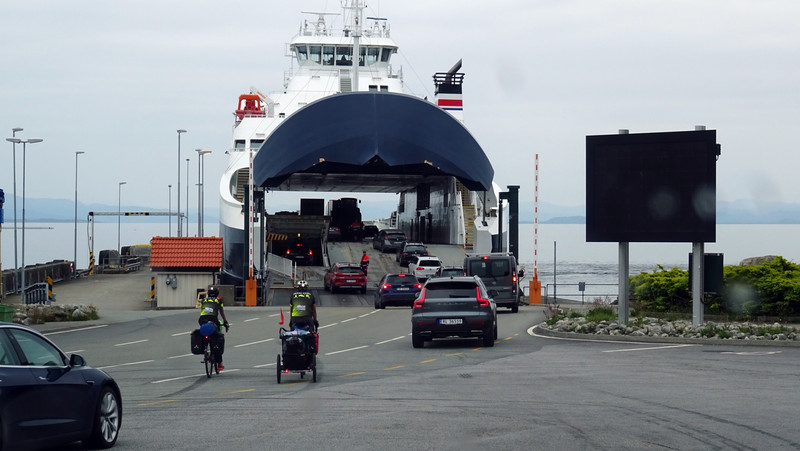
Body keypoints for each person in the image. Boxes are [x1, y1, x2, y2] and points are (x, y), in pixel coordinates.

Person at [198, 286, 229, 369]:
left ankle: (204, 347)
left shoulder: (203, 300)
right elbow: (221, 311)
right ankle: (219, 363)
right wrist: (225, 322)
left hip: (202, 319)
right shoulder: (218, 300)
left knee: (204, 330)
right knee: (217, 338)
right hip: (213, 319)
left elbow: (203, 310)